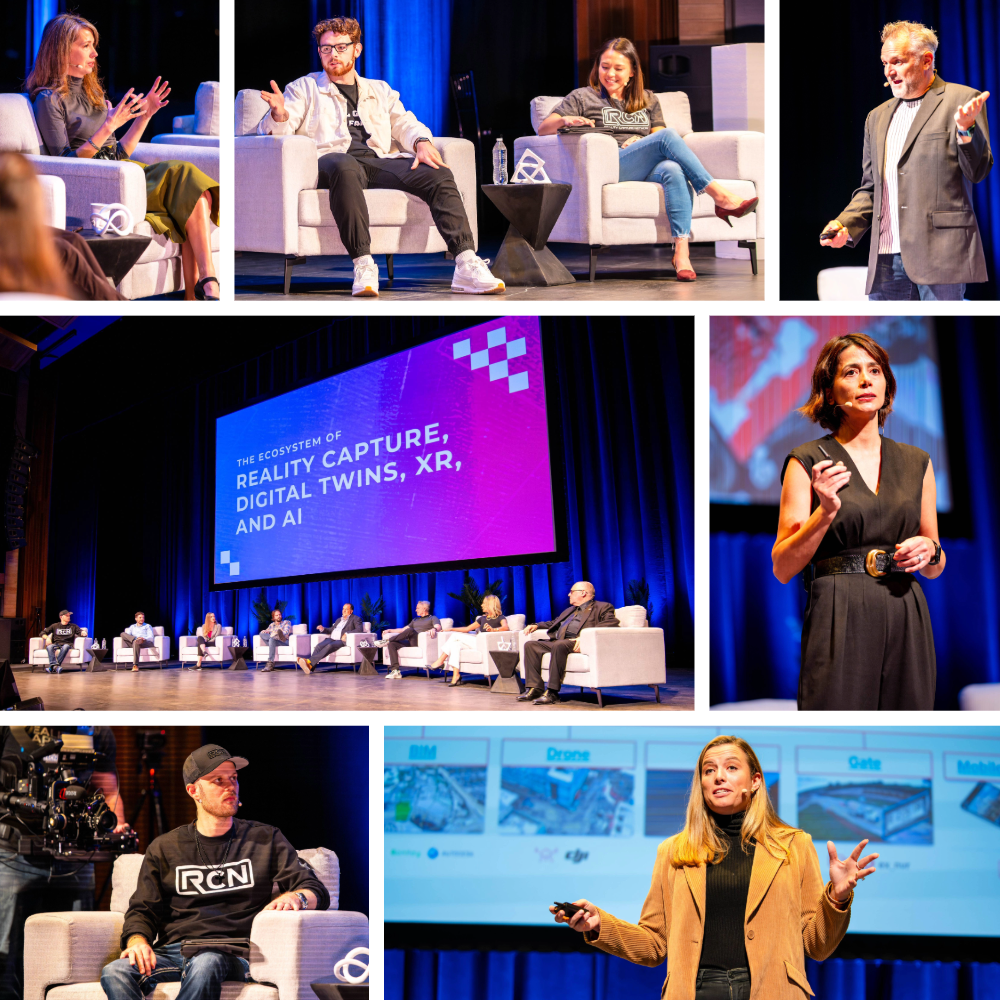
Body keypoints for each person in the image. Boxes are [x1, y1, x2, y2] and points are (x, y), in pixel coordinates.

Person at [552, 736, 875, 1000]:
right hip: (695, 991)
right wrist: (599, 925)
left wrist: (837, 897)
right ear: (702, 785)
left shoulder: (794, 845)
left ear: (755, 781)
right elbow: (654, 944)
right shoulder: (673, 852)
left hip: (774, 990)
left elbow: (817, 946)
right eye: (709, 770)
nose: (718, 776)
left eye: (731, 767)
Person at [257, 16, 504, 297]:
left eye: (340, 47)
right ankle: (363, 264)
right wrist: (279, 114)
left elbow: (405, 123)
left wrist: (421, 141)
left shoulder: (380, 90)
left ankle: (466, 263)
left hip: (377, 161)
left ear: (356, 49)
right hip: (331, 161)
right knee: (344, 164)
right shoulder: (304, 88)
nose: (333, 54)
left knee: (438, 172)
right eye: (326, 48)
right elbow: (279, 130)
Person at [772, 334, 945, 711]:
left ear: (887, 386)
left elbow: (935, 564)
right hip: (839, 606)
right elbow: (783, 568)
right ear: (829, 393)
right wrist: (825, 512)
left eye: (875, 371)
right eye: (851, 372)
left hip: (904, 606)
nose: (866, 380)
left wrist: (929, 551)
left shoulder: (917, 461)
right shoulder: (807, 459)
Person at [100, 743, 330, 1000]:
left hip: (233, 953)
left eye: (233, 778)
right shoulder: (165, 847)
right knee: (115, 972)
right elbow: (143, 910)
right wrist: (137, 942)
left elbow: (316, 890)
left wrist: (297, 897)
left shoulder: (265, 838)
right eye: (218, 780)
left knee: (206, 962)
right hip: (176, 951)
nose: (230, 786)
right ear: (193, 791)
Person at [27, 13, 221, 301]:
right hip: (99, 182)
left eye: (94, 46)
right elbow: (65, 160)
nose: (94, 53)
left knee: (195, 191)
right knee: (183, 174)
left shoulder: (92, 93)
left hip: (124, 173)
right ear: (62, 50)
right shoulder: (49, 99)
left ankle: (203, 286)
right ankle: (207, 286)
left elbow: (118, 153)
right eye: (86, 46)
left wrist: (145, 115)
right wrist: (109, 125)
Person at [537, 37, 757, 281]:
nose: (610, 74)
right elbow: (543, 128)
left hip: (643, 163)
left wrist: (641, 143)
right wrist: (564, 120)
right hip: (610, 165)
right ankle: (720, 196)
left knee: (673, 168)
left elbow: (660, 141)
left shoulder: (648, 99)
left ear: (632, 71)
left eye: (618, 68)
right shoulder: (582, 97)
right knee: (668, 136)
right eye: (604, 66)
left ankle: (681, 253)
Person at [820, 21, 991, 300]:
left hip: (941, 254)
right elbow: (871, 188)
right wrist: (845, 224)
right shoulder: (876, 117)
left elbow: (978, 171)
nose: (889, 71)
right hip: (886, 260)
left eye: (897, 62)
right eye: (885, 63)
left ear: (927, 61)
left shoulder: (961, 100)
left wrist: (965, 129)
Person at [0, 726, 127, 1000]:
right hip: (13, 853)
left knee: (79, 951)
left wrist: (115, 826)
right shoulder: (11, 722)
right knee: (7, 953)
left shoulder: (95, 729)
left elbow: (107, 787)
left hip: (76, 854)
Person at [517, 582, 619, 705]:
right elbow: (554, 623)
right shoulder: (570, 610)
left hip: (576, 642)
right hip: (560, 641)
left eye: (572, 592)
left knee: (559, 645)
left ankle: (552, 692)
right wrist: (537, 625)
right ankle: (535, 688)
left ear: (583, 593)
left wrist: (585, 635)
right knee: (531, 645)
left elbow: (611, 622)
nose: (568, 594)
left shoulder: (602, 607)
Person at [429, 595, 509, 686]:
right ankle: (456, 675)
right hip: (476, 643)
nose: (482, 605)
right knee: (455, 645)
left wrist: (494, 630)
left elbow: (506, 628)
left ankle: (440, 661)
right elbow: (467, 629)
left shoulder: (500, 618)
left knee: (455, 636)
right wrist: (450, 629)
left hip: (485, 645)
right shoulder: (482, 618)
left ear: (490, 605)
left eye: (484, 603)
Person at [374, 601, 441, 679]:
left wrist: (434, 629)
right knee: (392, 644)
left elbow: (438, 626)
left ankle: (386, 641)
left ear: (424, 609)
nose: (416, 610)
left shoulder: (432, 618)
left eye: (418, 608)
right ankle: (395, 671)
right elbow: (403, 630)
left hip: (420, 642)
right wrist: (389, 630)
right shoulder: (415, 620)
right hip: (411, 641)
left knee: (410, 630)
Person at [298, 602, 364, 673]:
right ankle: (310, 667)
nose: (344, 611)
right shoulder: (339, 620)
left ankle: (309, 662)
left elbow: (359, 630)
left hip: (341, 640)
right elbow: (331, 629)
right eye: (343, 609)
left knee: (330, 646)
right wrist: (323, 629)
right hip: (331, 638)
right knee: (318, 646)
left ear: (351, 611)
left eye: (346, 609)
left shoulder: (356, 619)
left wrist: (346, 633)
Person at [39, 609, 86, 673]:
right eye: (67, 615)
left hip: (67, 644)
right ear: (61, 617)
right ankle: (56, 667)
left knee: (66, 646)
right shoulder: (55, 626)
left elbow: (80, 632)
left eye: (69, 615)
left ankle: (53, 667)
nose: (68, 617)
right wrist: (47, 638)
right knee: (49, 647)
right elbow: (42, 633)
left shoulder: (73, 626)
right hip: (56, 644)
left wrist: (83, 632)